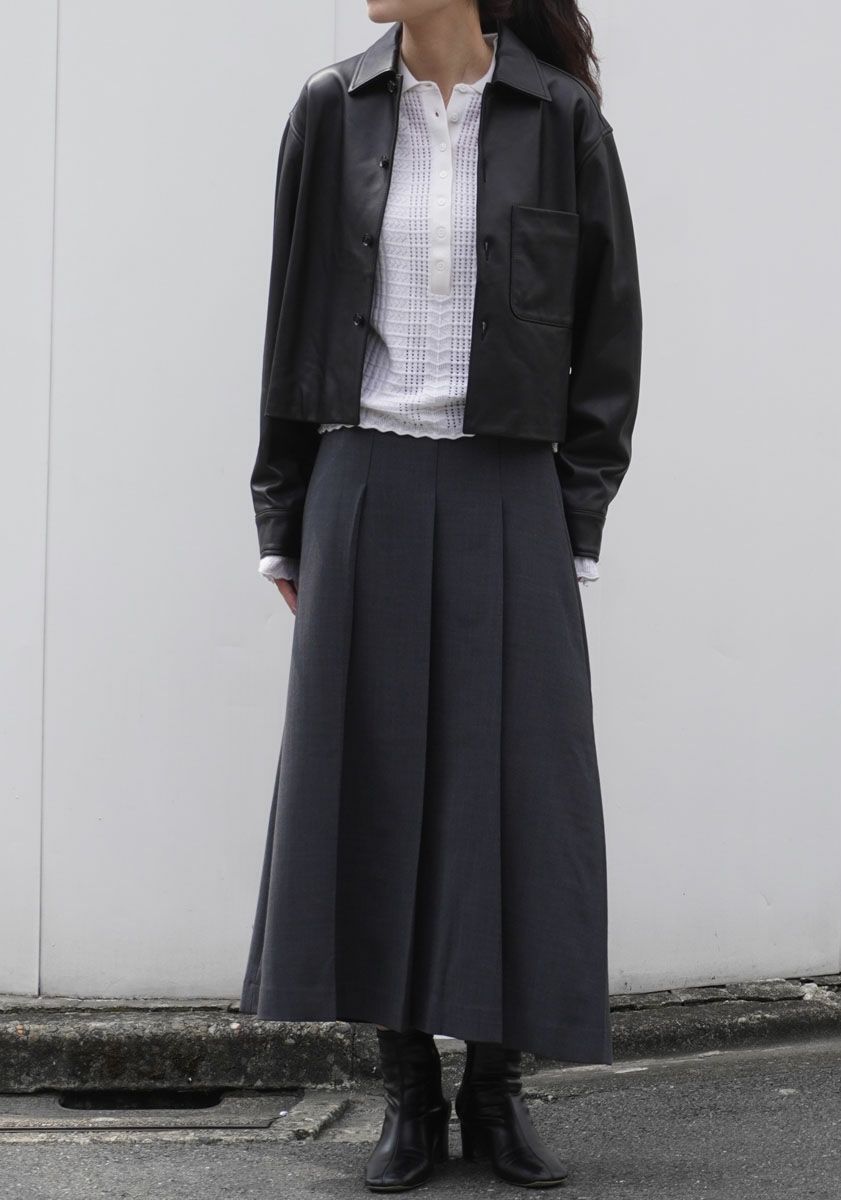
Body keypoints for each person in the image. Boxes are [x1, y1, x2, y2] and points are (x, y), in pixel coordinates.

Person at [239, 1, 642, 1191]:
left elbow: (609, 331)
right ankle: (408, 1094)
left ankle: (496, 1091)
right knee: (371, 785)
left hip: (508, 486)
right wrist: (283, 513)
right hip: (361, 480)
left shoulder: (561, 120)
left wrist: (575, 512)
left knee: (511, 791)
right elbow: (290, 313)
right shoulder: (331, 111)